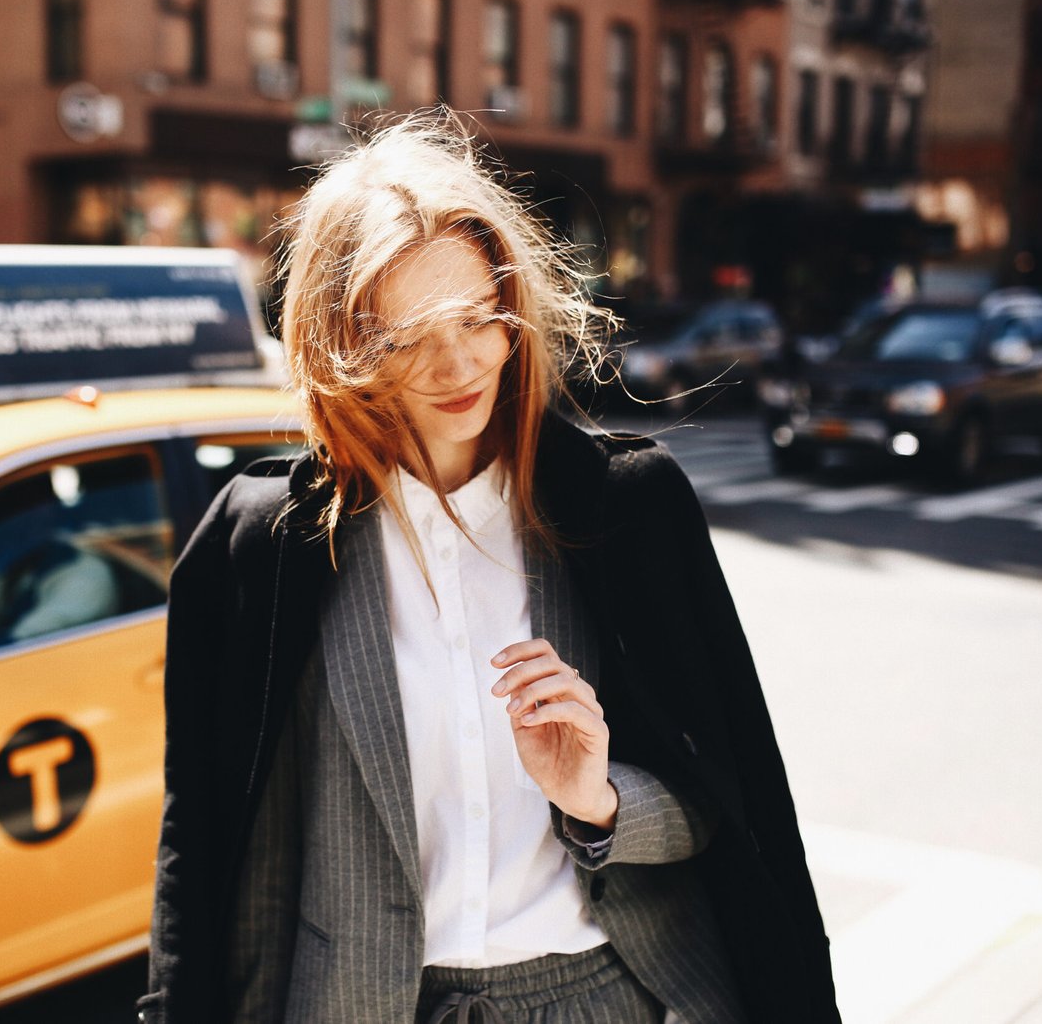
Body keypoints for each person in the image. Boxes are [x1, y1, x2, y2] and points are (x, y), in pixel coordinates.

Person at [140, 113, 839, 1024]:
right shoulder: (264, 548)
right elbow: (208, 846)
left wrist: (596, 798)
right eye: (409, 333)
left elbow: (730, 807)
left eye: (480, 316)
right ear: (338, 342)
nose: (460, 360)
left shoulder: (627, 511)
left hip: (598, 998)